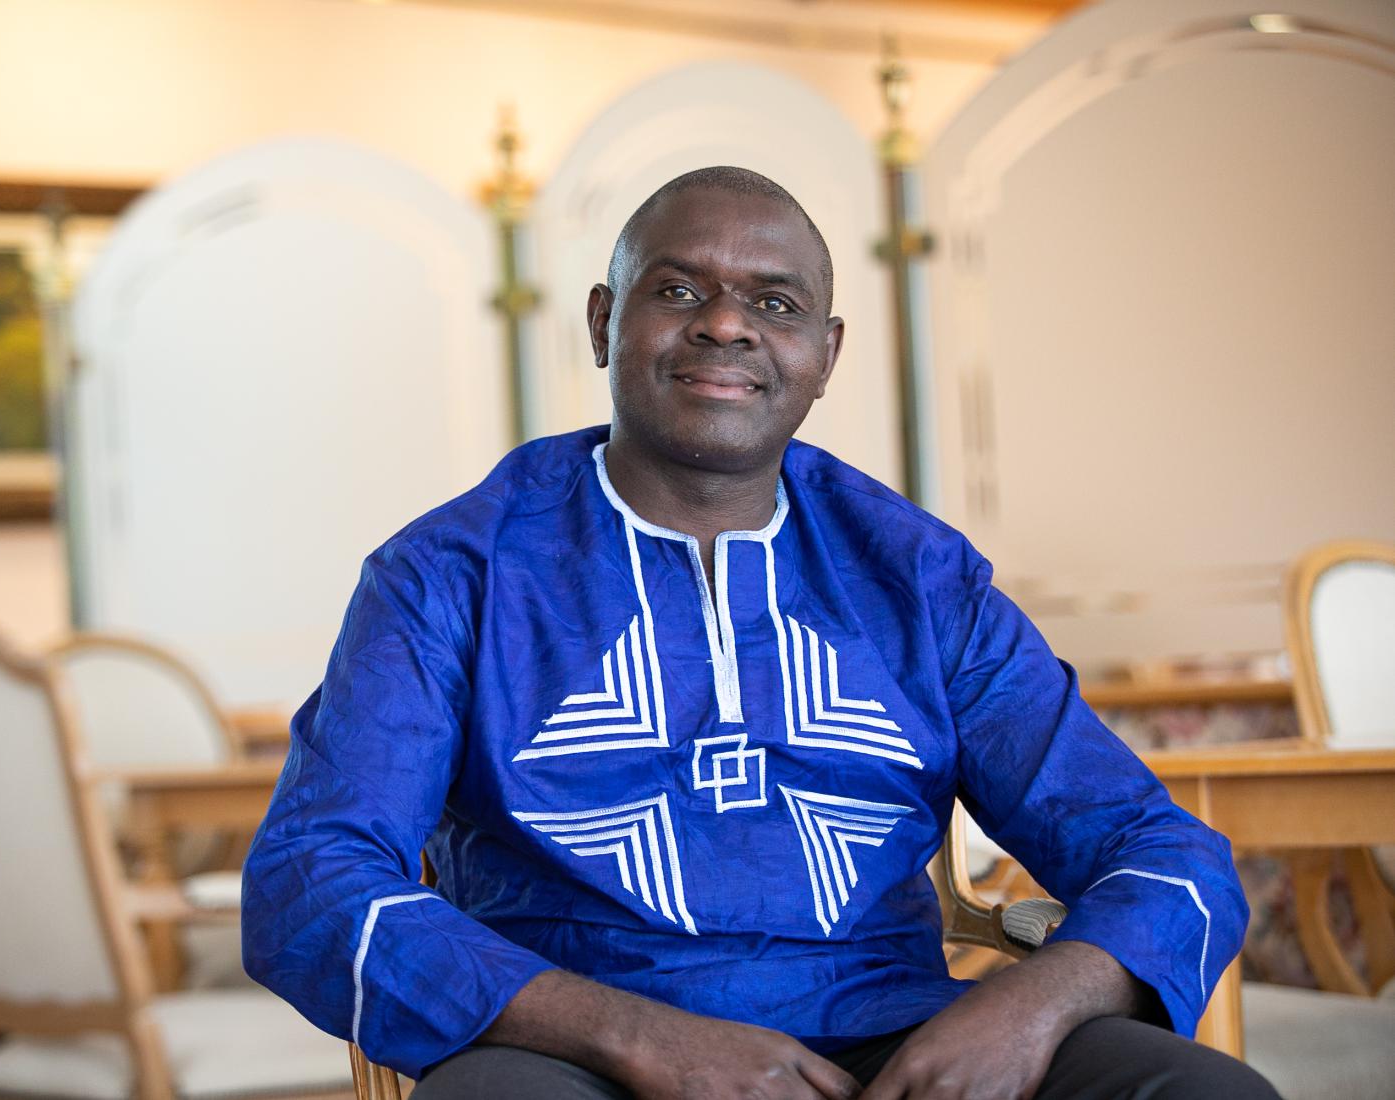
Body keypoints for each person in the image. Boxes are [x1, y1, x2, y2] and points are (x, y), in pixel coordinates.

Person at [242, 167, 1277, 1099]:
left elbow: (1163, 849)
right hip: (576, 1056)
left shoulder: (916, 574)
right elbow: (312, 877)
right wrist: (635, 1035)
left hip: (893, 1045)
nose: (726, 324)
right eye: (679, 290)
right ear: (604, 321)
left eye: (774, 303)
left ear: (825, 356)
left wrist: (1030, 1003)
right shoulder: (449, 573)